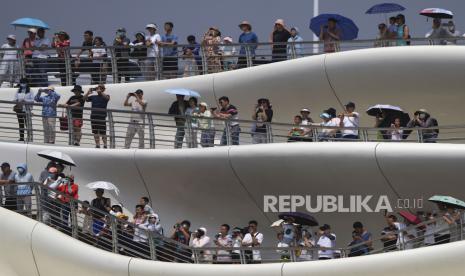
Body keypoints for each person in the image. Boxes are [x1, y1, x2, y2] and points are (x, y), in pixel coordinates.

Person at [84, 84, 110, 148]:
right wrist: (88, 92)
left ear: (104, 89)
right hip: (94, 116)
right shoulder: (93, 97)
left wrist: (100, 92)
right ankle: (97, 144)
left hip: (102, 116)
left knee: (103, 132)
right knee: (95, 131)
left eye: (101, 88)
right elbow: (84, 99)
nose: (99, 89)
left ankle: (105, 145)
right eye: (98, 88)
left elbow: (107, 99)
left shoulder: (106, 95)